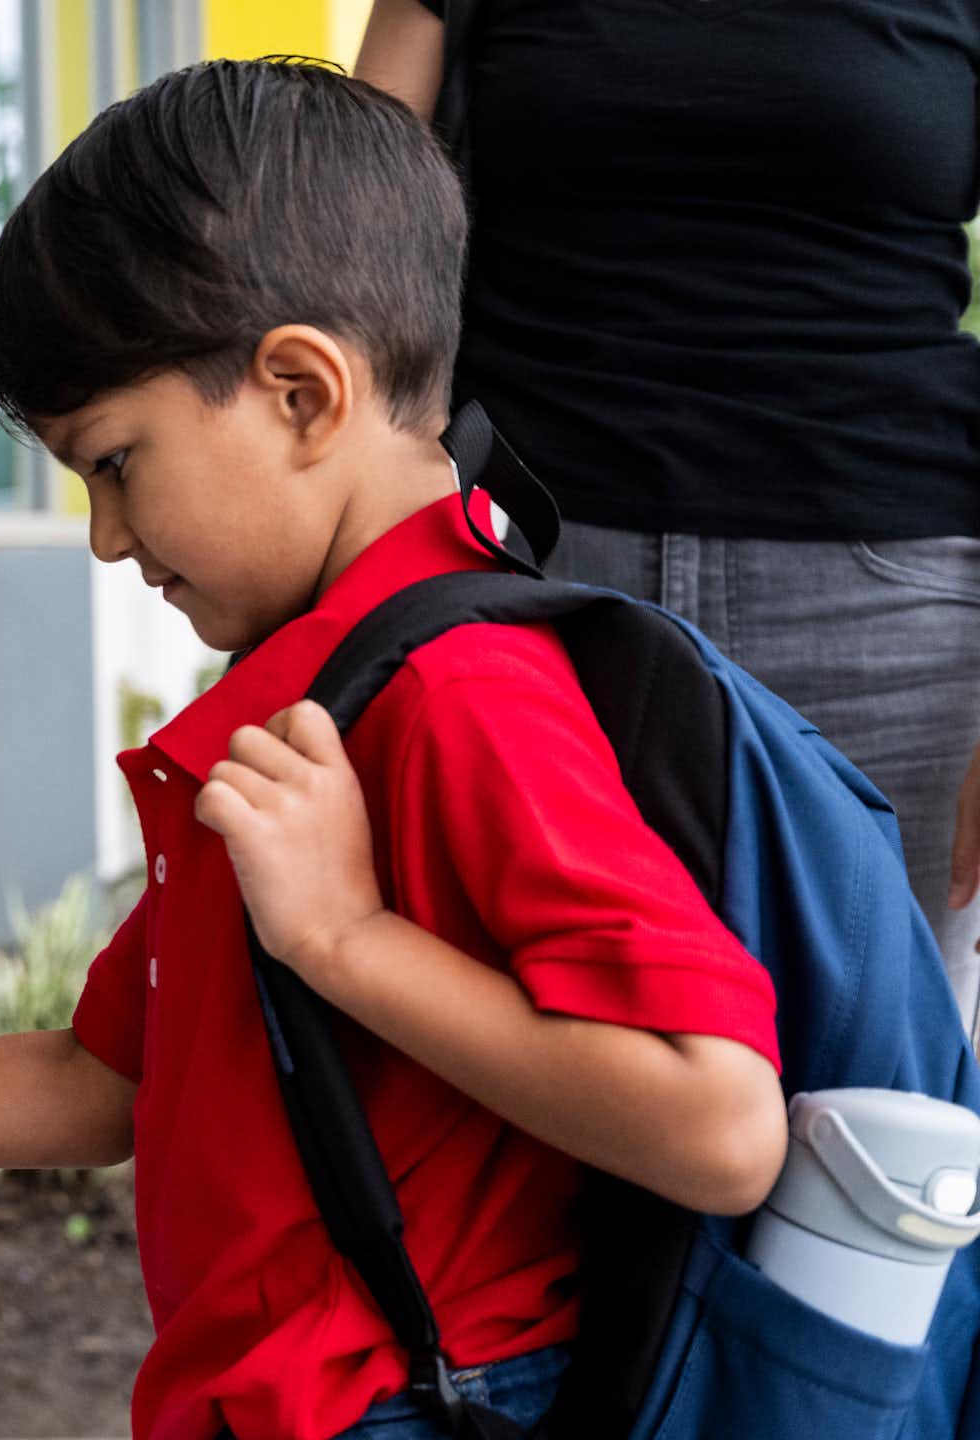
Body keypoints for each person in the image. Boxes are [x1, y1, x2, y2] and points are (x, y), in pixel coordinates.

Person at [0, 61, 789, 1440]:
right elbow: (102, 1083)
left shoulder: (461, 691)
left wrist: (345, 940)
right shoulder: (319, 690)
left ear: (303, 394)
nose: (106, 536)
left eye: (118, 462)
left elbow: (720, 1127)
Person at [353, 0, 980, 1036]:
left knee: (868, 1146)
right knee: (528, 1123)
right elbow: (341, 251)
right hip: (526, 593)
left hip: (889, 616)